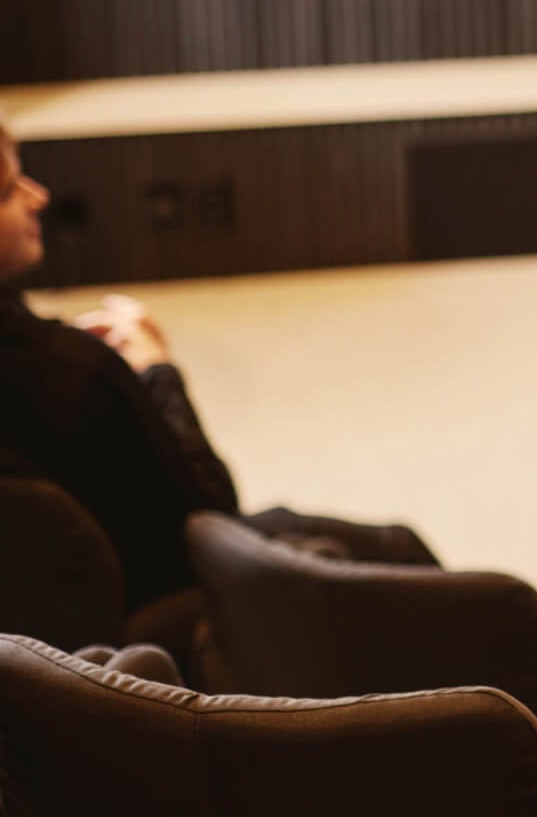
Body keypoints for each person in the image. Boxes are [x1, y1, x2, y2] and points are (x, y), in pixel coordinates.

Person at [0, 122, 436, 617]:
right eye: (11, 189)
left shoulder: (59, 363)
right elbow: (209, 510)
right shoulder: (78, 372)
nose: (38, 196)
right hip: (164, 610)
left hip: (40, 640)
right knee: (397, 547)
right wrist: (156, 370)